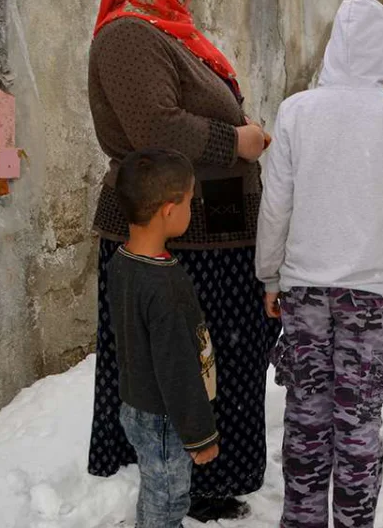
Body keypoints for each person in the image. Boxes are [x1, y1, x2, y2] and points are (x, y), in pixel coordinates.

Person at [86, 0, 278, 521]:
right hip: (175, 236)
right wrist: (236, 141)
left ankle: (211, 479)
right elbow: (157, 131)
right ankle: (187, 483)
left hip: (209, 230)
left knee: (223, 357)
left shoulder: (173, 34)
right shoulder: (126, 37)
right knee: (190, 362)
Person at [256, 0, 383, 528]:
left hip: (304, 290)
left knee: (307, 418)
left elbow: (276, 202)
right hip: (370, 293)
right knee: (356, 421)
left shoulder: (296, 109)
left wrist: (268, 274)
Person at [108, 149, 220, 528]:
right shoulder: (166, 285)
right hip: (165, 416)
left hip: (137, 406)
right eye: (191, 200)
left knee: (156, 489)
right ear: (169, 210)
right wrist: (200, 434)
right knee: (169, 500)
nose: (194, 208)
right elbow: (176, 367)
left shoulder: (122, 262)